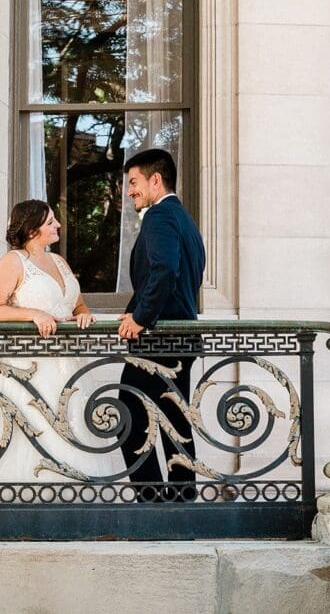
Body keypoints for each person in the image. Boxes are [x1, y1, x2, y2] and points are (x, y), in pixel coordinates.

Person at [0, 199, 119, 482]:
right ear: (31, 229)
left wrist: (83, 317)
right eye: (51, 221)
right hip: (30, 364)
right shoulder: (11, 263)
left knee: (72, 425)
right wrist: (34, 314)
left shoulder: (58, 261)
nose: (58, 226)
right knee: (34, 428)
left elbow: (78, 306)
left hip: (69, 362)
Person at [117, 148, 206, 501]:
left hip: (160, 340)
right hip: (180, 337)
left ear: (156, 180)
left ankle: (153, 501)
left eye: (134, 182)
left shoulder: (159, 217)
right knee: (174, 421)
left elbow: (165, 271)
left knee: (129, 416)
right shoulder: (184, 219)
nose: (130, 191)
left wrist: (140, 317)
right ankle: (180, 500)